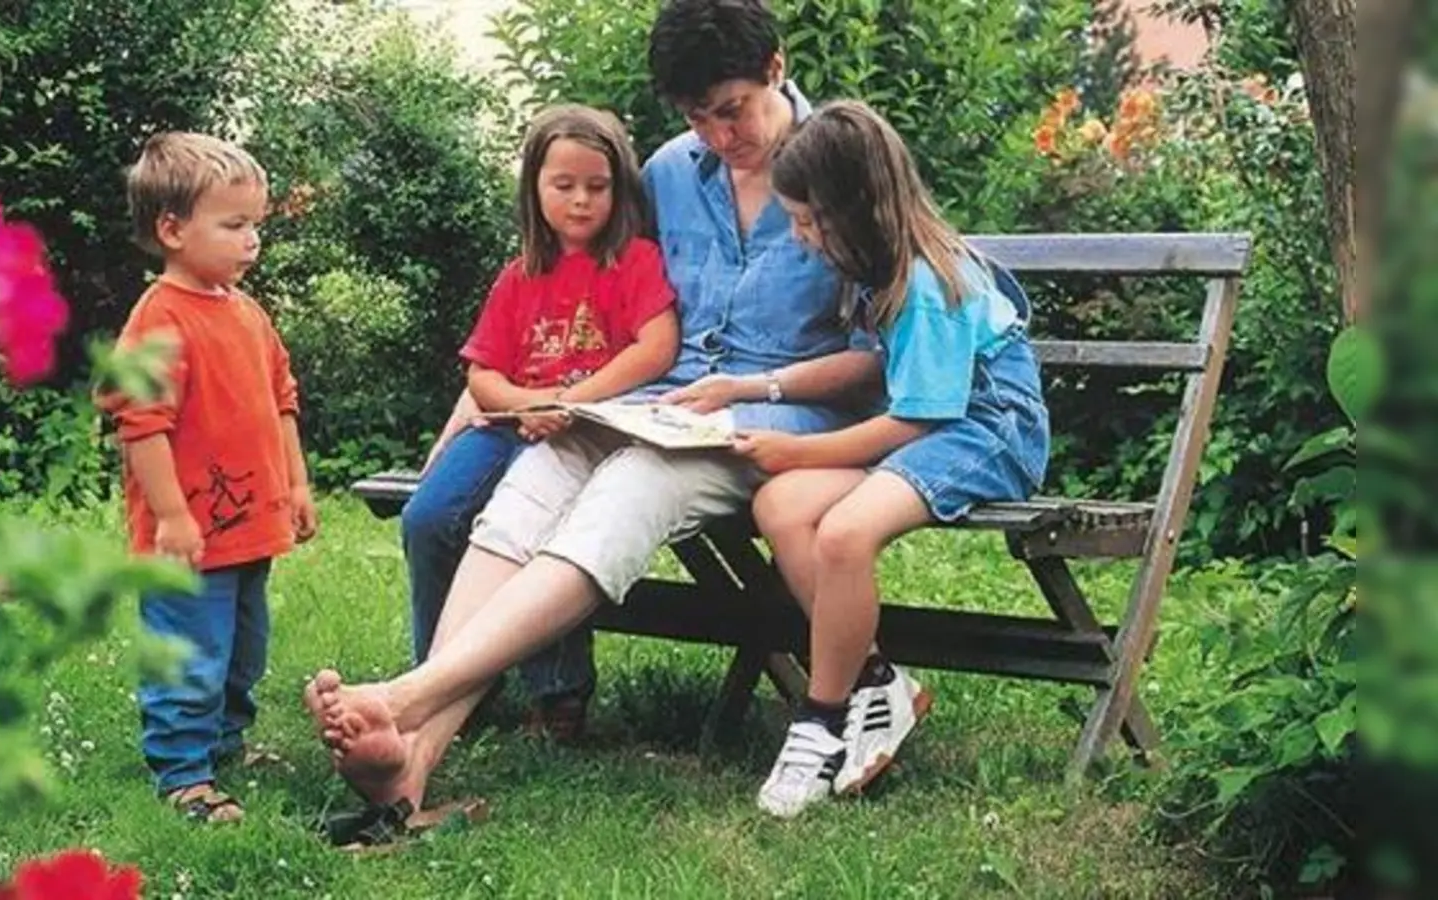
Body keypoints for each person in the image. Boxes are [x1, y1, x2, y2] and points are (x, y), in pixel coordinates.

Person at [303, 0, 923, 820]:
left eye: (732, 110)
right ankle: (415, 758)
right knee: (541, 472)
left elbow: (881, 355)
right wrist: (476, 404)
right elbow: (574, 281)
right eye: (697, 117)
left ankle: (409, 698)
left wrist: (753, 388)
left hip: (787, 413)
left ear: (775, 68)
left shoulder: (840, 165)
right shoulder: (669, 173)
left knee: (634, 482)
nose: (719, 136)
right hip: (663, 404)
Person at [740, 100, 1051, 817]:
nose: (800, 236)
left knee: (845, 532)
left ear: (855, 209)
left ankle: (819, 720)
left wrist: (799, 448)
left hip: (989, 431)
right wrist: (753, 391)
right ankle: (878, 683)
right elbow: (879, 379)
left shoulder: (930, 283)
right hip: (940, 427)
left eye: (808, 221)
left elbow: (917, 419)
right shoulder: (880, 270)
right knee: (780, 504)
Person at [399, 105, 679, 742]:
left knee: (539, 525)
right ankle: (442, 679)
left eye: (597, 186)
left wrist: (570, 402)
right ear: (535, 187)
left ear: (620, 189)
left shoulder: (635, 261)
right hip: (509, 423)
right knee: (428, 517)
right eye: (564, 185)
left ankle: (558, 692)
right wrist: (529, 403)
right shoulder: (520, 274)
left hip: (587, 430)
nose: (581, 201)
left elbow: (656, 347)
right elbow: (483, 373)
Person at [99, 132, 318, 823]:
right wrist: (170, 515)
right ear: (172, 229)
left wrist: (297, 485)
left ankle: (225, 744)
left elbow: (282, 401)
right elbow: (142, 425)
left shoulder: (247, 312)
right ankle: (183, 773)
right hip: (187, 537)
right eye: (234, 225)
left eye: (256, 224)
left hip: (249, 527)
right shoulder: (160, 319)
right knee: (190, 655)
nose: (252, 240)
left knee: (242, 652)